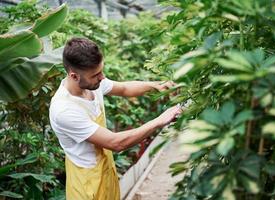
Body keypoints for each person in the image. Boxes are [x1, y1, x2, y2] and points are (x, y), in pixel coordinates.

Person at [49, 37, 182, 200]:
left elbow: (125, 88)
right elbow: (116, 143)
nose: (102, 77)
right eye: (96, 74)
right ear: (74, 76)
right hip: (87, 184)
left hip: (106, 171)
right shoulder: (64, 109)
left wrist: (156, 85)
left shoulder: (92, 83)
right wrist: (160, 120)